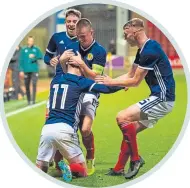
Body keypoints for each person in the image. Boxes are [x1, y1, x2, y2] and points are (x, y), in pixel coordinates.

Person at [95, 18, 175, 179]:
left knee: (122, 116)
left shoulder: (150, 50)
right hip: (159, 99)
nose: (125, 38)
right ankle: (119, 168)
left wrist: (112, 81)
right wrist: (109, 84)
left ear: (135, 30)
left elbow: (135, 81)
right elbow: (130, 75)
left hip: (162, 99)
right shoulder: (142, 50)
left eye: (126, 34)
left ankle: (136, 160)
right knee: (130, 129)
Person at [36, 61, 122, 181]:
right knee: (82, 173)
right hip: (66, 130)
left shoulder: (55, 80)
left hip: (47, 129)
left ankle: (54, 167)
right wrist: (123, 84)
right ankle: (69, 168)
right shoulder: (80, 81)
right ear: (80, 68)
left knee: (40, 168)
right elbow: (106, 89)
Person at [61, 18, 107, 175]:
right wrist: (61, 61)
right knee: (67, 128)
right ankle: (65, 162)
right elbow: (66, 72)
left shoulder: (99, 51)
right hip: (74, 90)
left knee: (85, 129)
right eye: (78, 36)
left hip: (90, 91)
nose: (80, 40)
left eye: (83, 36)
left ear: (91, 33)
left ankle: (90, 156)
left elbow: (95, 77)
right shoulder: (72, 47)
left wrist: (81, 64)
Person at [43, 8, 81, 175]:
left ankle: (72, 158)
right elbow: (47, 57)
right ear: (65, 22)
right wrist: (51, 59)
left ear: (79, 23)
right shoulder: (56, 38)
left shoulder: (83, 40)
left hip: (75, 86)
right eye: (69, 21)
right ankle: (52, 157)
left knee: (73, 123)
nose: (71, 24)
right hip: (57, 85)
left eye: (74, 21)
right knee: (50, 118)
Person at [19, 36, 42, 105]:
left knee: (34, 84)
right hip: (26, 70)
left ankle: (33, 100)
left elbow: (41, 56)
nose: (31, 42)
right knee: (27, 85)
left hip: (34, 70)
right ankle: (29, 100)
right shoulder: (23, 50)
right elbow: (21, 61)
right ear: (27, 41)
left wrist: (34, 56)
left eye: (32, 41)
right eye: (30, 41)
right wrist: (21, 70)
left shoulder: (36, 49)